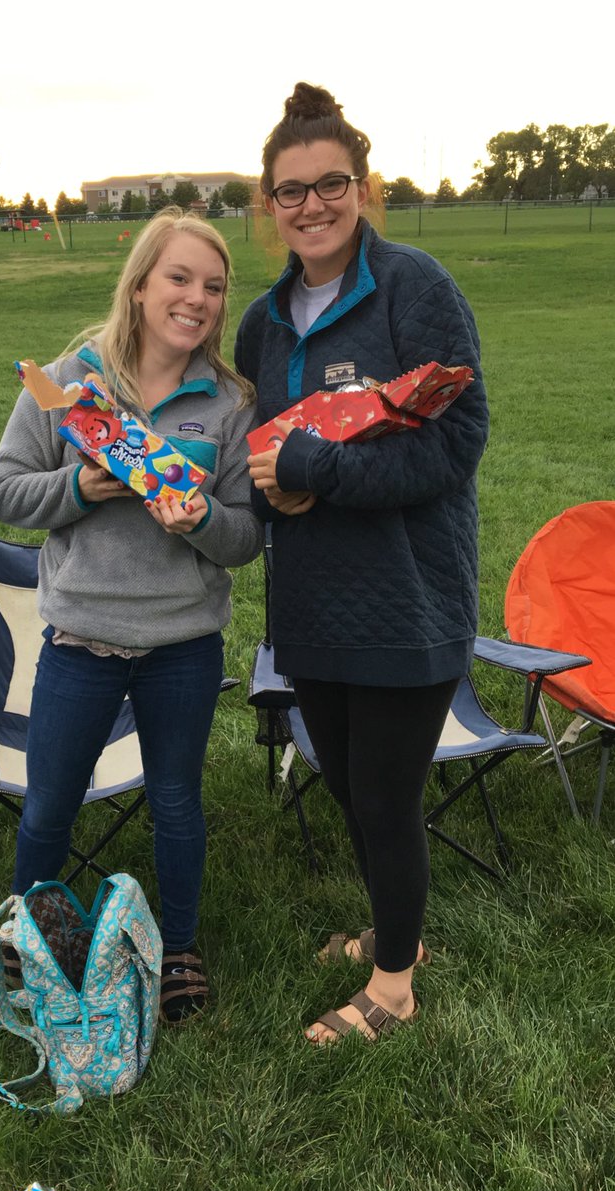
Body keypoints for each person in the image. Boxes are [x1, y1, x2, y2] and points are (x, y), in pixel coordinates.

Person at [236, 83, 489, 1044]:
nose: (311, 205)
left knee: (384, 790)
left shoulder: (414, 287)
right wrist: (274, 483)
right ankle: (397, 931)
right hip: (309, 594)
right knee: (341, 776)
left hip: (405, 592)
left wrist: (322, 472)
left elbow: (456, 441)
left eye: (329, 183)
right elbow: (263, 452)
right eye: (289, 191)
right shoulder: (262, 323)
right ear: (269, 206)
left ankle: (392, 986)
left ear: (361, 184)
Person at [0, 207, 263, 1025]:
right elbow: (1, 491)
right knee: (49, 804)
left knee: (176, 800)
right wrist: (82, 486)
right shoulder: (70, 384)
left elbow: (245, 536)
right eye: (178, 278)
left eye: (213, 286)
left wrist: (200, 518)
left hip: (182, 642)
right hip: (79, 639)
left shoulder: (229, 401)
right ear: (140, 286)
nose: (197, 298)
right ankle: (29, 943)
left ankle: (177, 946)